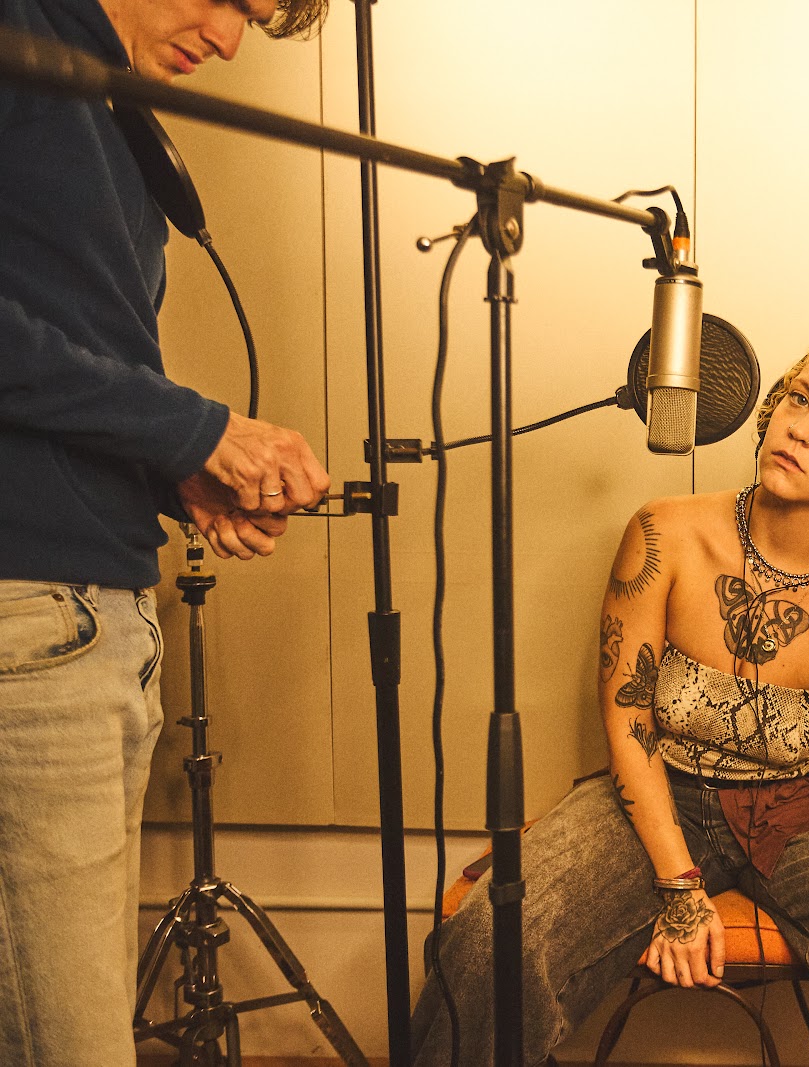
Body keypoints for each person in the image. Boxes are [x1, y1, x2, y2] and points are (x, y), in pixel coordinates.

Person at [412, 335, 809, 1066]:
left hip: (803, 811)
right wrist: (680, 887)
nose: (801, 428)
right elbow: (628, 718)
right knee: (494, 935)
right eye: (798, 399)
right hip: (660, 788)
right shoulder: (665, 533)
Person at [0, 0, 330, 1063]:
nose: (230, 43)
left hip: (85, 611)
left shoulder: (97, 92)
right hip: (29, 611)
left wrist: (174, 468)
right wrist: (195, 429)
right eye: (234, 1)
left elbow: (68, 353)